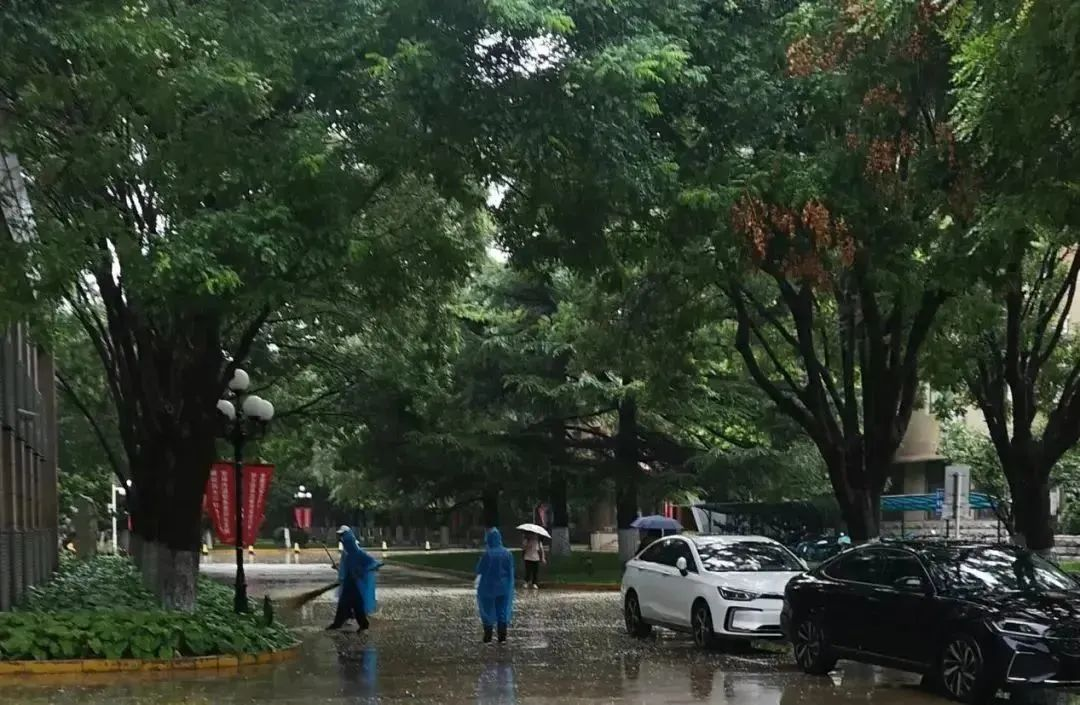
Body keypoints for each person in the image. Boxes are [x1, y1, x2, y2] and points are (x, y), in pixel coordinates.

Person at [328, 525, 382, 631]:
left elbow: (373, 564)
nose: (343, 543)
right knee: (351, 604)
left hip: (353, 584)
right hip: (349, 583)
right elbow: (346, 567)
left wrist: (362, 571)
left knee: (353, 604)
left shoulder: (358, 553)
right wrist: (340, 571)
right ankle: (342, 623)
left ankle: (346, 623)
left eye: (346, 542)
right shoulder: (347, 554)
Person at [475, 528, 514, 643]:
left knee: (487, 611)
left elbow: (479, 570)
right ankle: (502, 637)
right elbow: (511, 571)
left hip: (488, 587)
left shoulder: (487, 554)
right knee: (502, 611)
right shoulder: (508, 553)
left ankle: (488, 637)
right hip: (504, 588)